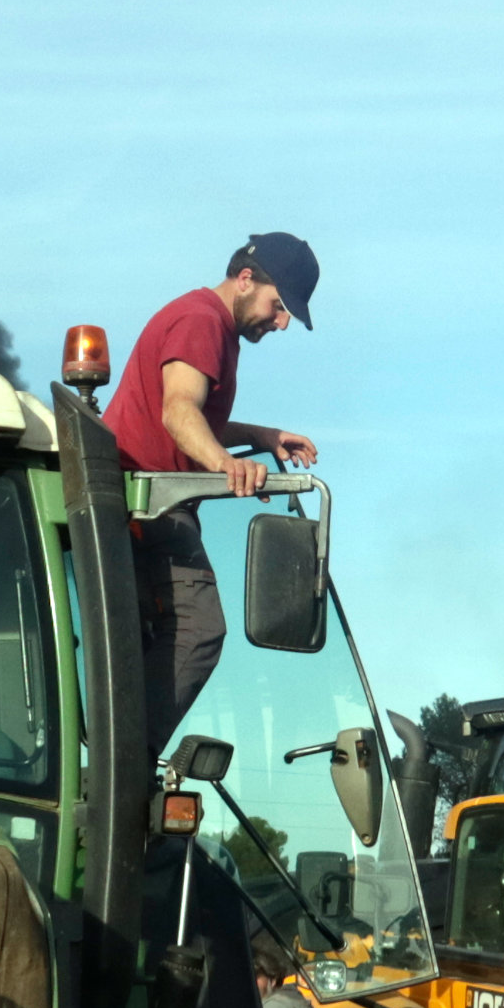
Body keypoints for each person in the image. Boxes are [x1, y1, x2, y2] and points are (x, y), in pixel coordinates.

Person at [105, 233, 322, 756]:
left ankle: (119, 761)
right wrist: (227, 465)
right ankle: (125, 769)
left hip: (145, 499)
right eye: (279, 306)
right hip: (151, 503)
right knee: (199, 632)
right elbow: (178, 412)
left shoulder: (210, 324)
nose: (282, 321)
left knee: (152, 645)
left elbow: (192, 418)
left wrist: (259, 436)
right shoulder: (202, 320)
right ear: (246, 280)